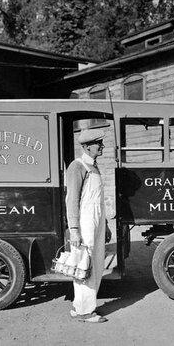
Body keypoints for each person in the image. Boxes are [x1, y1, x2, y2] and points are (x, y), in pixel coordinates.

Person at [66, 128, 108, 323]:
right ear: (86, 146)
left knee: (97, 264)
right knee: (85, 265)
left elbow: (98, 201)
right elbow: (71, 200)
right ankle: (85, 312)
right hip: (84, 223)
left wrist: (105, 225)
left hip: (97, 222)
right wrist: (74, 230)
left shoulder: (94, 167)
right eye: (97, 143)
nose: (101, 146)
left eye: (100, 143)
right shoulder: (77, 166)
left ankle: (79, 306)